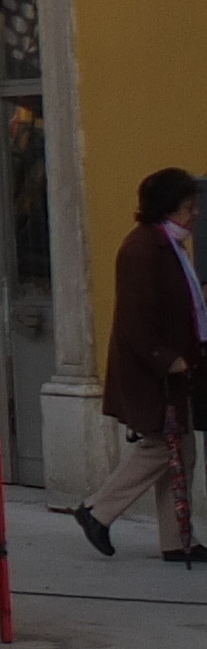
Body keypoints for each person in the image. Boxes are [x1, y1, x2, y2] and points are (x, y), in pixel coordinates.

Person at [72, 166, 207, 560]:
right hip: (154, 371)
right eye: (188, 206)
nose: (195, 213)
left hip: (171, 369)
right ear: (167, 208)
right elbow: (135, 321)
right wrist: (168, 361)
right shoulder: (143, 250)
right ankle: (97, 510)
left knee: (180, 449)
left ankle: (178, 540)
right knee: (164, 447)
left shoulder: (168, 245)